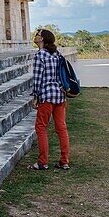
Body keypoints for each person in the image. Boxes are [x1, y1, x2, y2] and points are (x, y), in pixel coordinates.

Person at [30, 28, 70, 170]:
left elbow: (37, 79)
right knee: (61, 128)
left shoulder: (40, 55)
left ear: (41, 39)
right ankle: (64, 160)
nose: (35, 36)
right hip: (59, 95)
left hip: (46, 95)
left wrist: (35, 96)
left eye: (37, 35)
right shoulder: (57, 55)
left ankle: (42, 161)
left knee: (41, 127)